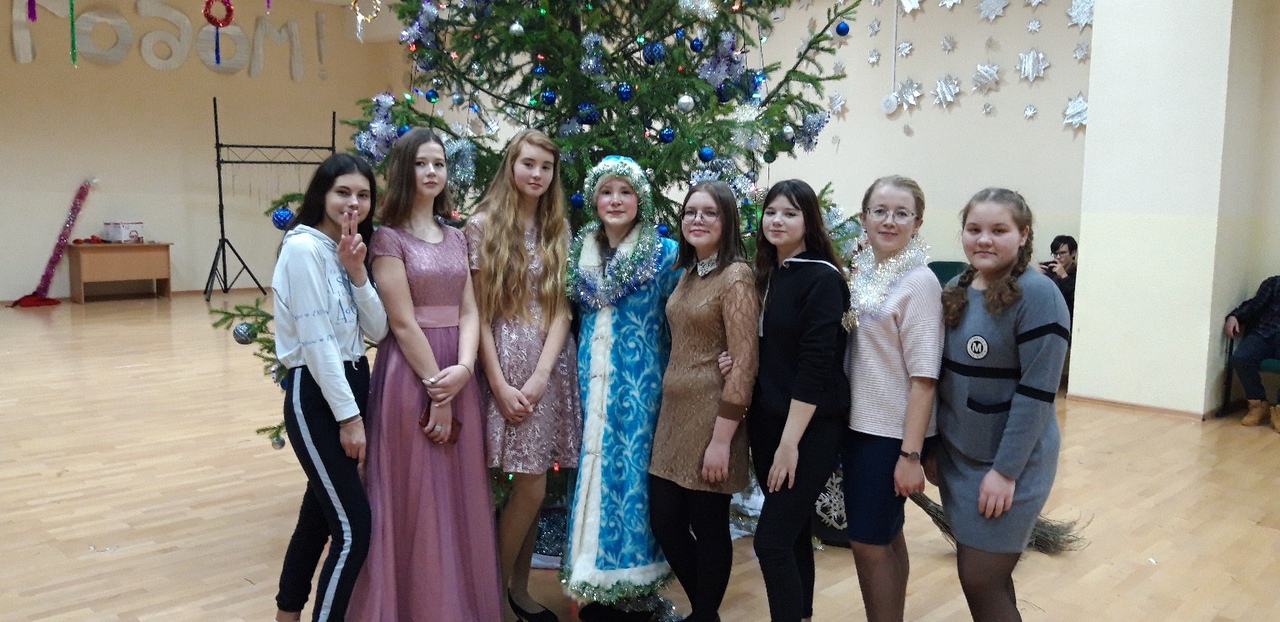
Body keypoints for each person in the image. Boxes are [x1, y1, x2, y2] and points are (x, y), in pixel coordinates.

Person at [345, 128, 502, 620]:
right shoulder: (388, 238)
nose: (432, 171)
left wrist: (465, 368)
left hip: (457, 371)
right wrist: (439, 391)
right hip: (413, 375)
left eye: (439, 163)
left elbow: (471, 309)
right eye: (421, 163)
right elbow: (401, 321)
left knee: (457, 493)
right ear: (403, 170)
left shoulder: (457, 236)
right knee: (416, 493)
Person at [931, 188, 1070, 621]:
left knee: (980, 578)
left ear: (1024, 234)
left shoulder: (1039, 295)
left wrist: (1005, 472)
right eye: (974, 229)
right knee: (989, 578)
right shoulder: (955, 288)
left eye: (999, 230)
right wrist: (932, 448)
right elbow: (938, 379)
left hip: (1010, 466)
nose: (984, 240)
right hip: (959, 459)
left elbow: (1036, 394)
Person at [464, 129, 581, 622]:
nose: (536, 174)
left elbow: (563, 310)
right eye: (528, 163)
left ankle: (517, 588)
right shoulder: (481, 225)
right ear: (511, 165)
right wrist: (497, 382)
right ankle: (490, 594)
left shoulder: (559, 228)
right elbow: (476, 312)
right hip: (500, 363)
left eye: (546, 167)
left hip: (547, 368)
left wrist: (541, 376)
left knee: (534, 486)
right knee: (524, 486)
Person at [563, 155, 681, 621]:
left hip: (642, 390)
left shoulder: (665, 254)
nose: (615, 200)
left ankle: (637, 586)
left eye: (625, 192)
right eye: (606, 192)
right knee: (593, 477)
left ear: (640, 200)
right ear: (594, 199)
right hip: (589, 388)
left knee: (634, 483)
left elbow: (687, 316)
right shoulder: (579, 253)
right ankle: (595, 580)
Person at [271, 153, 388, 622]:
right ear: (322, 194)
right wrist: (350, 418)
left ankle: (286, 614)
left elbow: (378, 330)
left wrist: (357, 273)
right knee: (354, 529)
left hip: (352, 380)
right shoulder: (302, 249)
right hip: (318, 394)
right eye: (343, 192)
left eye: (363, 195)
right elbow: (318, 341)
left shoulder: (345, 250)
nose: (353, 203)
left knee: (317, 517)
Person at [648, 181, 758, 622]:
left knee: (708, 524)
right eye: (690, 212)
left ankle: (704, 613)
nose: (697, 219)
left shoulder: (736, 276)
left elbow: (744, 364)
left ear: (727, 221)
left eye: (709, 212)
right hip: (675, 415)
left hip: (714, 416)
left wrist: (722, 439)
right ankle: (706, 613)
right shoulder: (690, 272)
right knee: (665, 520)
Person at [842, 176, 942, 621]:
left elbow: (925, 377)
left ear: (917, 223)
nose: (889, 221)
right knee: (885, 535)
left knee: (867, 542)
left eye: (901, 213)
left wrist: (910, 454)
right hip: (860, 424)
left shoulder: (919, 282)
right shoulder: (864, 270)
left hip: (889, 434)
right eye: (880, 211)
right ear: (863, 217)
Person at [751, 179, 850, 622]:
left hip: (808, 430)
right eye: (771, 212)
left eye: (790, 213)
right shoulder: (769, 273)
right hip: (767, 422)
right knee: (791, 535)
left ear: (809, 221)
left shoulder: (823, 279)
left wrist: (789, 443)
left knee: (769, 542)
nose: (778, 220)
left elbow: (815, 367)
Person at [1224, 275, 1280, 431]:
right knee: (1241, 358)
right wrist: (1235, 316)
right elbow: (1254, 305)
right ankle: (1258, 404)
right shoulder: (1274, 283)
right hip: (1264, 333)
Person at [1034, 235, 1076, 318]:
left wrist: (1064, 276)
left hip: (1065, 317)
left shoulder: (1078, 274)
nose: (1058, 257)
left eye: (1062, 253)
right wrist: (1033, 272)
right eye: (1055, 254)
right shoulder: (1048, 267)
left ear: (1073, 253)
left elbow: (1075, 300)